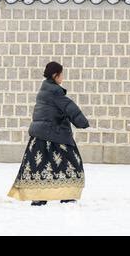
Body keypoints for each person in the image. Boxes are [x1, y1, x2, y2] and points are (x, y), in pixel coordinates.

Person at [8, 61, 90, 206]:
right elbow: (69, 107)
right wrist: (82, 122)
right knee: (71, 163)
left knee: (40, 166)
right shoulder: (55, 92)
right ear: (55, 75)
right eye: (61, 74)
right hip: (55, 135)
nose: (62, 77)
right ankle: (66, 194)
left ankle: (40, 196)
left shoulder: (44, 90)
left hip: (40, 135)